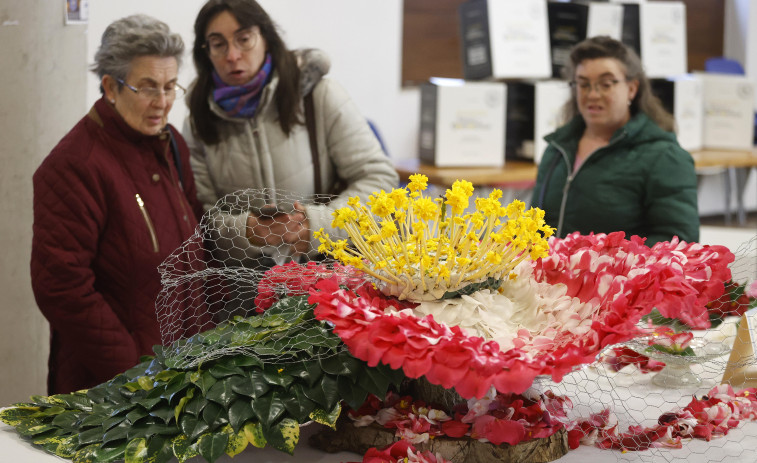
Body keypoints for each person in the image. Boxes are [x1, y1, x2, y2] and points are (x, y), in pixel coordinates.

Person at [31, 15, 206, 394]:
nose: (162, 103)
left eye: (170, 86)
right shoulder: (75, 166)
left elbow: (193, 233)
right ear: (111, 87)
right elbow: (61, 287)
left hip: (184, 374)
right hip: (116, 392)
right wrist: (135, 371)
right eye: (147, 88)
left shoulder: (170, 142)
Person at [183, 0, 399, 272]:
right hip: (244, 289)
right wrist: (245, 232)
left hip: (331, 274)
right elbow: (199, 218)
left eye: (244, 39)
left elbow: (381, 181)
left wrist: (319, 226)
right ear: (206, 53)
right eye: (218, 44)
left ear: (266, 39)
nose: (232, 55)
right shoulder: (197, 121)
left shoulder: (318, 96)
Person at [532, 36, 699, 246]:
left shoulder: (664, 157)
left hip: (618, 278)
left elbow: (679, 242)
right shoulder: (557, 149)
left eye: (606, 84)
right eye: (583, 84)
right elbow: (534, 229)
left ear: (632, 88)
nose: (592, 94)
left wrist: (600, 262)